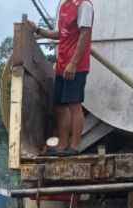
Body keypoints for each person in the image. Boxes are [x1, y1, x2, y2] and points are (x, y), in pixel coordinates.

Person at [29, 0, 94, 156]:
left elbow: (85, 35)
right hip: (62, 64)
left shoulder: (84, 5)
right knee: (60, 105)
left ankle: (75, 146)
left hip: (75, 66)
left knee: (74, 105)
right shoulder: (65, 5)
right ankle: (62, 145)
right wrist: (38, 30)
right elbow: (61, 33)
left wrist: (73, 63)